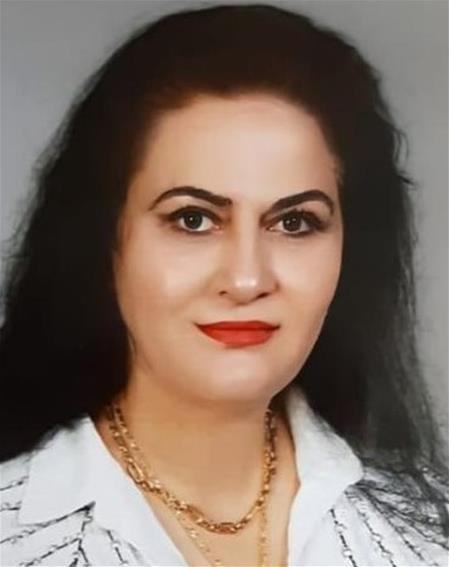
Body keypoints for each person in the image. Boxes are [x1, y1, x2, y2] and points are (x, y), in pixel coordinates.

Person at [0, 3, 447, 566]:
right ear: (106, 241)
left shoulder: (429, 529)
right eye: (193, 219)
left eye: (294, 223)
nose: (246, 279)